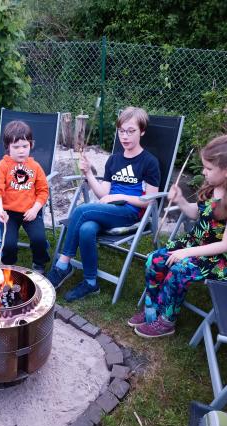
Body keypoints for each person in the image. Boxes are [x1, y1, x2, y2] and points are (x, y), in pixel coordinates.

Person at [129, 134, 227, 338]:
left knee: (179, 269)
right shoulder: (212, 188)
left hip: (221, 259)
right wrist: (181, 200)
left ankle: (166, 320)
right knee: (154, 259)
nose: (204, 172)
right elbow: (196, 213)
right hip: (196, 244)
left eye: (209, 169)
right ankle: (153, 309)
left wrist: (187, 252)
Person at [47, 106, 161, 301]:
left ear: (142, 131)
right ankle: (91, 283)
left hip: (130, 212)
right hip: (109, 210)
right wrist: (88, 173)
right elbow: (103, 194)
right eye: (122, 131)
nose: (125, 136)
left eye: (131, 131)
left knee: (82, 211)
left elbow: (149, 200)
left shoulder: (149, 162)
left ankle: (62, 265)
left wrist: (119, 198)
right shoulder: (114, 160)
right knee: (86, 229)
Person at [0, 120, 50, 273]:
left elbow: (43, 191)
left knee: (39, 240)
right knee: (9, 244)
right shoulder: (3, 166)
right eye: (16, 147)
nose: (21, 151)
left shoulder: (35, 167)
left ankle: (39, 263)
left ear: (31, 145)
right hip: (8, 213)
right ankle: (8, 267)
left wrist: (35, 209)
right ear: (8, 147)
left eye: (25, 146)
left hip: (30, 212)